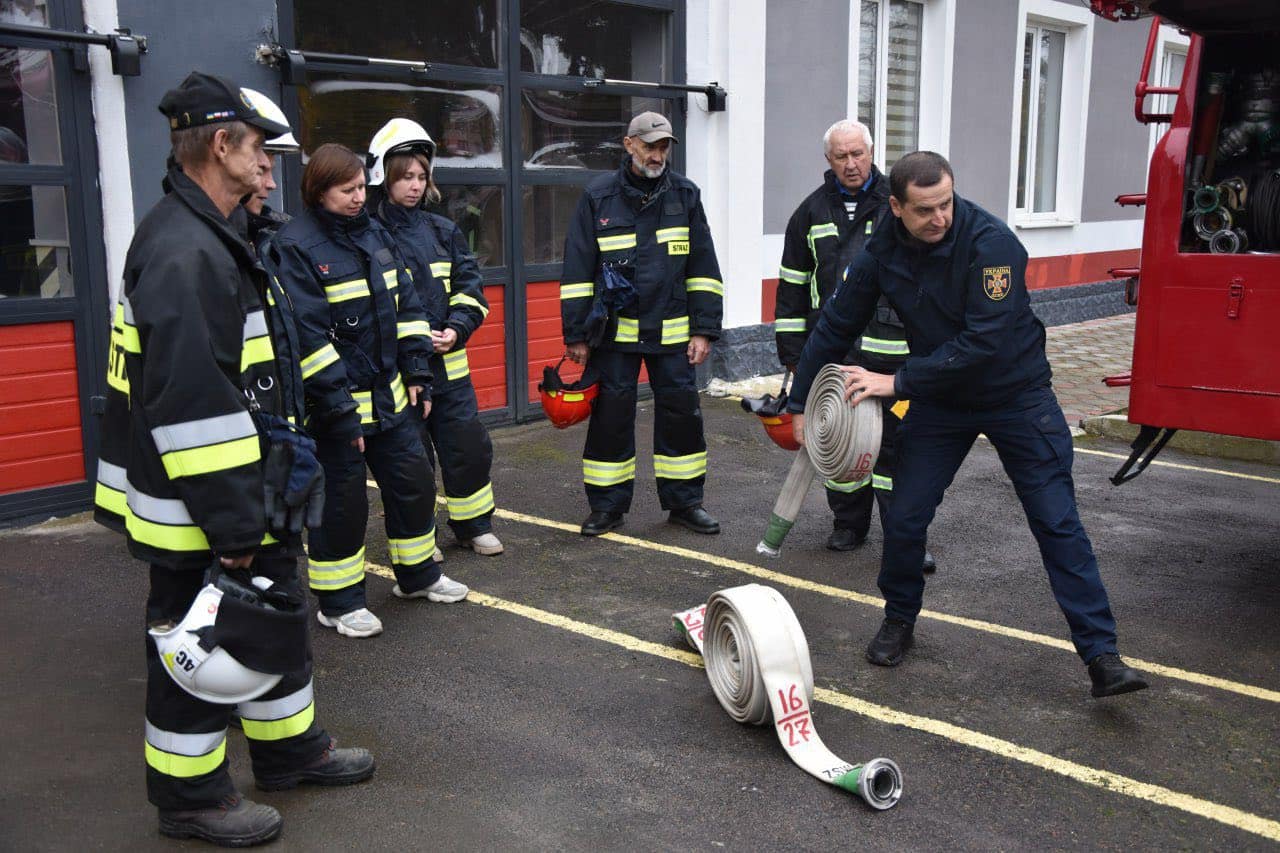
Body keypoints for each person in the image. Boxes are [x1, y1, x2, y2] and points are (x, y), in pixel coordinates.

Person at [93, 71, 375, 847]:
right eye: (258, 150)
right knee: (197, 644)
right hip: (206, 502)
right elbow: (192, 408)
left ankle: (289, 751)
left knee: (267, 619)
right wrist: (236, 523)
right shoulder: (186, 252)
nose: (269, 165)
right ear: (220, 145)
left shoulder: (220, 233)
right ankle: (190, 798)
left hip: (246, 486)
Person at [788, 151, 1148, 699]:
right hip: (942, 403)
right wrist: (798, 405)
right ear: (897, 207)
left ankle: (1102, 655)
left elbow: (986, 344)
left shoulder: (993, 244)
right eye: (926, 209)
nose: (940, 218)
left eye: (947, 204)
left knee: (1056, 522)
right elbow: (836, 323)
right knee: (905, 516)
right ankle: (899, 618)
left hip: (1015, 395)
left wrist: (898, 383)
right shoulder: (882, 245)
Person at [271, 143, 468, 639]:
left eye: (362, 186)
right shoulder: (294, 245)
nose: (360, 197)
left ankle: (418, 576)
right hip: (336, 409)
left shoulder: (376, 234)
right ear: (319, 191)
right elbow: (307, 338)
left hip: (392, 397)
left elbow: (406, 309)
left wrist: (420, 374)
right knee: (343, 504)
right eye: (348, 190)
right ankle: (338, 603)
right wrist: (338, 410)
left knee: (414, 482)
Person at [775, 120, 934, 570]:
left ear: (871, 152)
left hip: (894, 353)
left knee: (902, 450)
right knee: (840, 441)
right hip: (838, 352)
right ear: (828, 160)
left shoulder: (898, 204)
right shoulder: (809, 213)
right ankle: (848, 525)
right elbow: (792, 286)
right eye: (841, 156)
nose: (851, 164)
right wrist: (792, 353)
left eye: (858, 154)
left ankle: (907, 537)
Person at [559, 111, 724, 536]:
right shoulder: (598, 197)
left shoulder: (685, 195)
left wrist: (704, 328)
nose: (657, 154)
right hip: (614, 336)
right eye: (649, 145)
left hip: (672, 335)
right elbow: (578, 270)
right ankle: (607, 508)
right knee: (610, 420)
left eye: (663, 146)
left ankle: (686, 503)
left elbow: (703, 267)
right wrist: (576, 334)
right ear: (628, 144)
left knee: (682, 417)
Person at [366, 118, 503, 557]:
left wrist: (457, 328)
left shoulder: (442, 231)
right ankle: (419, 539)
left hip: (450, 367)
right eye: (405, 176)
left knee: (468, 449)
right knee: (412, 464)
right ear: (382, 176)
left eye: (421, 176)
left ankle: (472, 525)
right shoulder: (368, 237)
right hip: (399, 374)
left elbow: (470, 288)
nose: (414, 185)